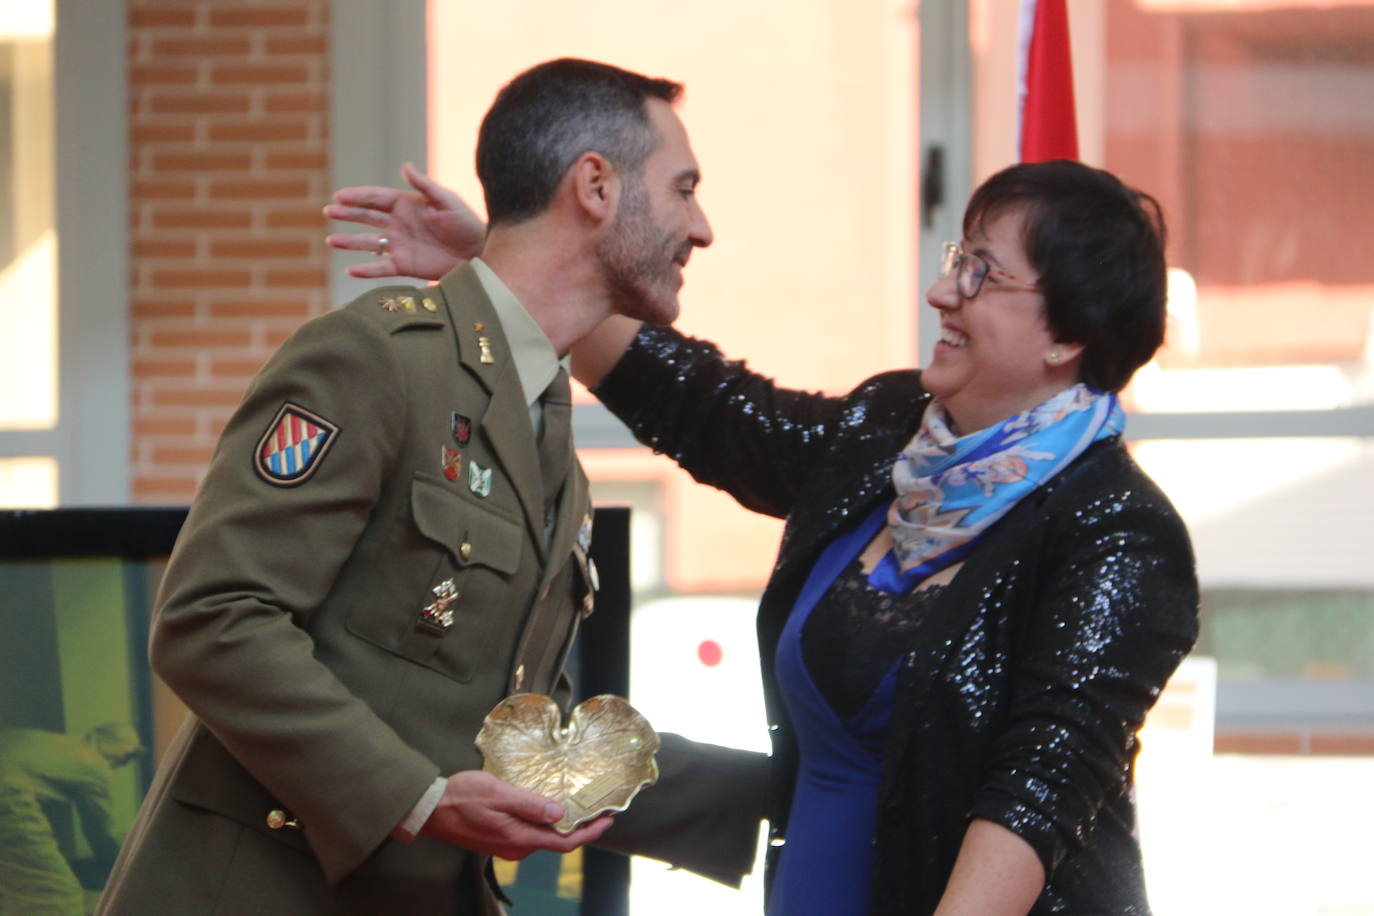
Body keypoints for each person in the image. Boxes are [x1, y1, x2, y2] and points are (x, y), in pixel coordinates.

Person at [327, 157, 1200, 914]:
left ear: (1070, 336)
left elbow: (1037, 790)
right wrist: (506, 266)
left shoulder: (1117, 532)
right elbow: (710, 411)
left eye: (984, 275)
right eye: (956, 259)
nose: (943, 291)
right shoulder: (890, 427)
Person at [98, 58, 767, 916]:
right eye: (683, 189)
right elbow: (212, 619)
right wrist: (417, 799)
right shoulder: (377, 360)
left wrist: (795, 799)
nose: (700, 227)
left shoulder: (546, 424)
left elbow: (523, 740)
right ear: (594, 186)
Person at [0, 724, 141, 915]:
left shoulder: (68, 745)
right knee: (55, 890)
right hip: (6, 795)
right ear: (119, 747)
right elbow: (102, 832)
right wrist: (122, 874)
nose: (125, 762)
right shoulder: (93, 765)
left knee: (17, 884)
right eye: (128, 756)